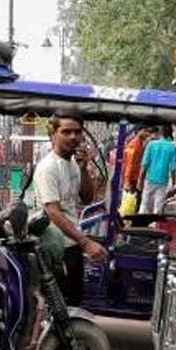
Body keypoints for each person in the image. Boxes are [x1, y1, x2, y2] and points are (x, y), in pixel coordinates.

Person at [30, 110, 108, 305]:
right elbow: (53, 212)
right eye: (66, 132)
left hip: (72, 242)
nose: (73, 137)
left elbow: (87, 198)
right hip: (57, 247)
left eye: (77, 132)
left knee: (74, 303)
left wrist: (83, 169)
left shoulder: (73, 163)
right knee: (61, 305)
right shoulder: (48, 168)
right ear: (53, 134)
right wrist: (85, 242)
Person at [138, 125, 176, 214]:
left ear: (161, 132)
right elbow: (173, 168)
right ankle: (155, 221)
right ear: (170, 134)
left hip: (149, 179)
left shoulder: (151, 144)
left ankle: (141, 220)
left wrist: (140, 180)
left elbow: (145, 164)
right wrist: (174, 184)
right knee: (158, 206)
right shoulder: (173, 148)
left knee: (145, 203)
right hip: (163, 181)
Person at [121, 127, 150, 193]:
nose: (147, 134)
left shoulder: (140, 143)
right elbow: (129, 163)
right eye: (145, 131)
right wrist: (127, 180)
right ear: (139, 131)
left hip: (135, 176)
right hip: (132, 177)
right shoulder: (134, 145)